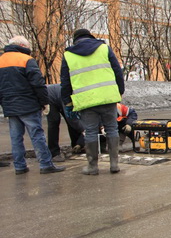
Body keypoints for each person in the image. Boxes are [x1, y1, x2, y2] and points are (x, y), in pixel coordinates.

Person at [60, 29, 125, 175]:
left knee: (90, 131)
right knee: (112, 129)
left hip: (86, 100)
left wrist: (67, 102)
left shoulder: (68, 55)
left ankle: (92, 166)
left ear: (75, 40)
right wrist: (119, 91)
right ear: (90, 37)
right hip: (108, 97)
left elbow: (65, 82)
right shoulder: (104, 48)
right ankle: (114, 164)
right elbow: (117, 71)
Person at [0, 36, 65, 174]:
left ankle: (19, 166)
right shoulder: (26, 60)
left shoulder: (1, 60)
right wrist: (44, 102)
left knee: (16, 137)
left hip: (10, 105)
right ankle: (45, 164)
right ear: (23, 46)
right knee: (37, 135)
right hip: (28, 104)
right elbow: (38, 84)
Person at [46, 83, 85, 161]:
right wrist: (83, 130)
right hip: (50, 97)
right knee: (54, 122)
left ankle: (76, 146)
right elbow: (72, 119)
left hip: (62, 98)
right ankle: (54, 153)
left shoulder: (81, 94)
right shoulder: (70, 94)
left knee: (73, 120)